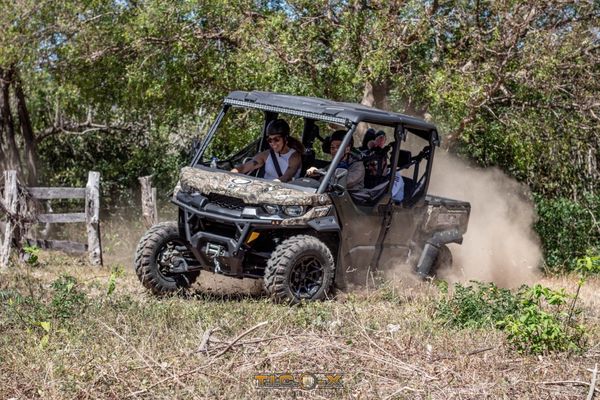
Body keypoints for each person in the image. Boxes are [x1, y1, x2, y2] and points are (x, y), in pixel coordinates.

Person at [231, 119, 303, 182]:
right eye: (270, 140)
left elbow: (286, 177)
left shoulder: (294, 157)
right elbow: (244, 168)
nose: (273, 143)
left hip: (285, 192)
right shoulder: (266, 155)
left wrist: (271, 184)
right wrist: (231, 173)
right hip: (265, 190)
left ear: (285, 139)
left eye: (276, 139)